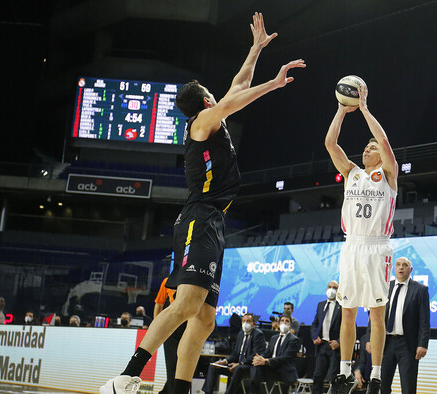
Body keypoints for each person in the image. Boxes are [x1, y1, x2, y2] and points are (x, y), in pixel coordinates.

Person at [100, 12, 305, 394]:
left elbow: (238, 83)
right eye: (215, 95)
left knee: (205, 318)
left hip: (212, 222)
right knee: (185, 305)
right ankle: (127, 376)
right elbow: (235, 97)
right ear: (206, 100)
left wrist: (255, 49)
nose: (220, 95)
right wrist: (275, 85)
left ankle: (176, 390)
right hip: (199, 218)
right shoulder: (202, 122)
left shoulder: (213, 118)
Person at [325, 84, 398, 394]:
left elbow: (383, 139)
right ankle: (343, 372)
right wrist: (342, 109)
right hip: (351, 244)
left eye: (373, 149)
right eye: (366, 148)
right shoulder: (352, 172)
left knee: (376, 314)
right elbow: (330, 142)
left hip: (376, 246)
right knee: (348, 310)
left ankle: (378, 374)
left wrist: (364, 108)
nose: (369, 150)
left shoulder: (389, 174)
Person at [377, 257, 429, 394]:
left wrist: (422, 344)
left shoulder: (420, 290)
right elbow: (376, 316)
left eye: (405, 265)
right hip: (386, 343)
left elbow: (424, 320)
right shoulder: (385, 286)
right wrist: (371, 339)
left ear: (410, 270)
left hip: (407, 344)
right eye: (398, 265)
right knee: (383, 384)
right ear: (394, 268)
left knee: (408, 385)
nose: (401, 267)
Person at [202, 313, 265, 394]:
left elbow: (255, 355)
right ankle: (207, 392)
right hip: (237, 365)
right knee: (214, 366)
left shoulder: (258, 334)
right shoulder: (240, 334)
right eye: (244, 321)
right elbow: (235, 354)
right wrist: (225, 361)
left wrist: (239, 364)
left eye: (248, 321)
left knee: (238, 369)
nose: (246, 323)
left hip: (248, 366)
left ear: (254, 324)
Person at [250, 315, 300, 393]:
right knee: (256, 366)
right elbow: (267, 353)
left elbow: (285, 357)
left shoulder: (294, 339)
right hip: (272, 368)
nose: (284, 322)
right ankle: (254, 392)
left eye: (287, 321)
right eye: (282, 321)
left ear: (291, 325)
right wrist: (259, 358)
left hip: (284, 370)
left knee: (260, 367)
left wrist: (266, 361)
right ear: (279, 324)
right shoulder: (274, 338)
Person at [310, 281, 342, 394]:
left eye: (335, 287)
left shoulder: (343, 306)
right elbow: (315, 324)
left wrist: (339, 342)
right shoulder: (321, 305)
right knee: (317, 376)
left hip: (335, 347)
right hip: (322, 346)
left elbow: (350, 328)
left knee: (334, 378)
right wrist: (315, 336)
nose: (331, 289)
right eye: (329, 287)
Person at [154, 277, 182, 394]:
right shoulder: (167, 281)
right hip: (171, 326)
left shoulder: (192, 279)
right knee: (171, 365)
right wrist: (157, 326)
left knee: (182, 367)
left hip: (187, 326)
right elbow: (159, 304)